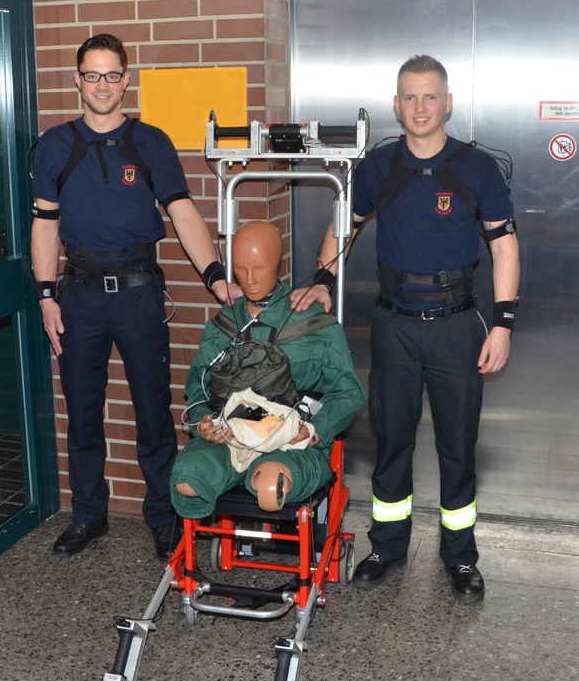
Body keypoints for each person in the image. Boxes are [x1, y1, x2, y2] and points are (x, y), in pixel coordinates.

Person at [291, 55, 520, 604]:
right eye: (410, 97)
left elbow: (504, 245)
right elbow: (343, 224)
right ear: (397, 105)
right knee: (391, 439)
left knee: (457, 444)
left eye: (430, 96)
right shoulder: (379, 165)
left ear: (447, 103)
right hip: (393, 325)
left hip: (457, 327)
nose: (420, 107)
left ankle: (460, 556)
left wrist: (504, 323)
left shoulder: (477, 168)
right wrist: (322, 278)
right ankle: (387, 547)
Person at [30, 33, 241, 560]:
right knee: (82, 412)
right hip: (79, 297)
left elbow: (183, 212)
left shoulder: (151, 142)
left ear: (126, 80)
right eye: (92, 75)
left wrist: (215, 275)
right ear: (77, 80)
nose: (101, 85)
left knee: (152, 410)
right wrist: (45, 296)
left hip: (139, 295)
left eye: (111, 75)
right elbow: (45, 225)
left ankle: (163, 517)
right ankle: (88, 515)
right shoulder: (54, 145)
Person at [170, 220, 366, 518]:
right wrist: (203, 422)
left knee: (270, 487)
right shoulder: (224, 324)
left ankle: (258, 498)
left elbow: (348, 392)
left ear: (277, 265)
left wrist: (315, 431)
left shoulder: (313, 321)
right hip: (228, 437)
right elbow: (198, 385)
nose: (250, 279)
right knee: (187, 481)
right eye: (241, 269)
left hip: (289, 441)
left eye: (259, 268)